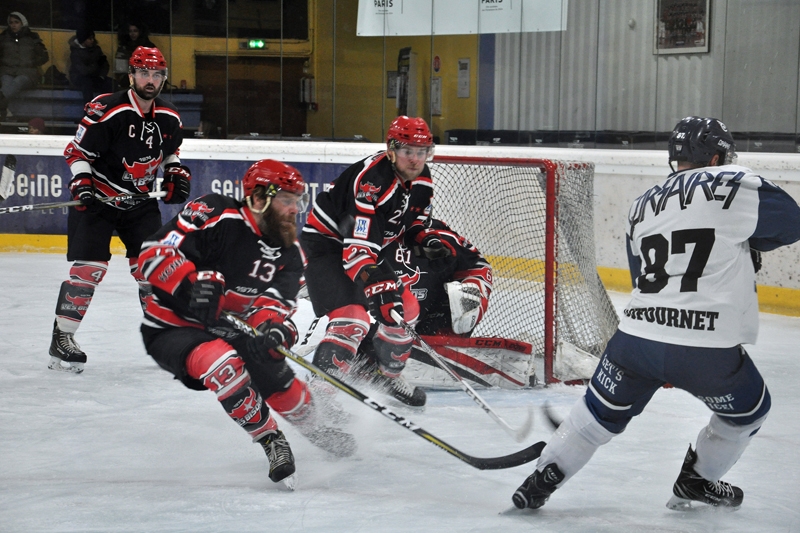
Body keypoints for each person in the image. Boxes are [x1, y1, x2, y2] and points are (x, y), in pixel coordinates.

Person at [511, 116, 800, 511]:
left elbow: (643, 278)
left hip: (635, 341)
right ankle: (697, 480)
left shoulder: (642, 204)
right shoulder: (733, 180)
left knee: (594, 418)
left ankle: (540, 480)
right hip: (705, 349)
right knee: (750, 412)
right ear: (716, 156)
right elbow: (791, 223)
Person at [138, 160, 355, 484]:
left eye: (297, 200)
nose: (294, 209)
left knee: (278, 375)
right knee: (223, 365)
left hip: (232, 326)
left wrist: (274, 329)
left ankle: (315, 428)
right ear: (258, 197)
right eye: (286, 199)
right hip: (173, 327)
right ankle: (271, 439)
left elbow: (277, 304)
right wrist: (189, 283)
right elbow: (151, 254)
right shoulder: (214, 212)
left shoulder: (291, 251)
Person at [48, 46, 191, 374]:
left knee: (151, 270)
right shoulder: (108, 109)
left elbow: (172, 152)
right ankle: (62, 337)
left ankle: (163, 335)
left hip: (139, 203)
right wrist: (82, 183)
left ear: (164, 79)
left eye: (157, 74)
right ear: (131, 76)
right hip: (99, 200)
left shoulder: (169, 115)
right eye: (144, 73)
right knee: (89, 270)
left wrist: (175, 173)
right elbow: (76, 151)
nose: (150, 80)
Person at [300, 115, 438, 406]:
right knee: (353, 319)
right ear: (391, 150)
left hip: (368, 251)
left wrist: (423, 239)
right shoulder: (371, 182)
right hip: (328, 248)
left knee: (406, 311)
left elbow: (409, 223)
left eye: (422, 152)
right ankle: (319, 400)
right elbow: (356, 252)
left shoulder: (422, 179)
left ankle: (383, 373)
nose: (415, 159)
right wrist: (379, 286)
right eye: (407, 151)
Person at [0, 12, 49, 120]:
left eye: (16, 22)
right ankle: (4, 111)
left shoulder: (32, 37)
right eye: (11, 22)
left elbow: (44, 56)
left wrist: (31, 63)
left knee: (17, 82)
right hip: (7, 70)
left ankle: (2, 109)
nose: (13, 25)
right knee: (6, 83)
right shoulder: (3, 38)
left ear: (23, 23)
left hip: (27, 72)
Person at [68, 28, 112, 105]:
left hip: (95, 76)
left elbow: (105, 65)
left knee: (110, 83)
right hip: (80, 78)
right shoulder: (75, 52)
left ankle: (108, 108)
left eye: (93, 38)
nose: (92, 40)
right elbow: (83, 71)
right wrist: (97, 66)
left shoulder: (96, 49)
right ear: (83, 39)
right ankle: (89, 110)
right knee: (87, 84)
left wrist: (101, 76)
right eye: (89, 38)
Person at [114, 22, 155, 89]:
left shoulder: (149, 46)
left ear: (141, 32)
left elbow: (155, 66)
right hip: (129, 79)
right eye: (130, 31)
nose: (132, 34)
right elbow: (120, 69)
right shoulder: (124, 47)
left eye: (135, 31)